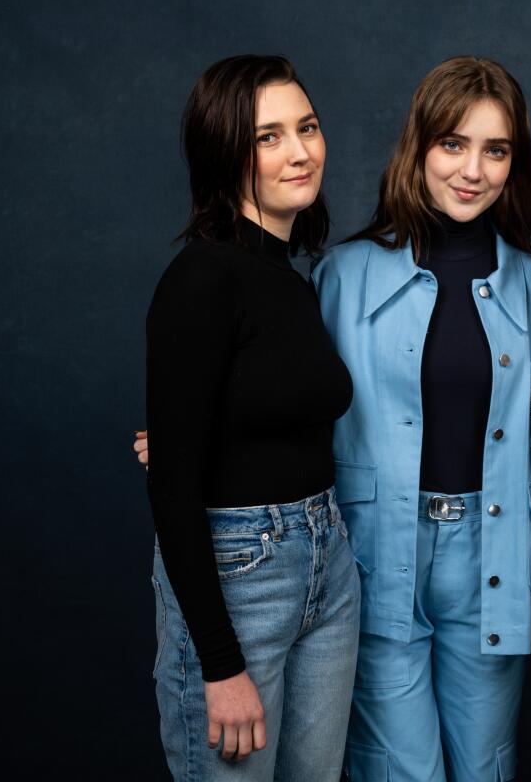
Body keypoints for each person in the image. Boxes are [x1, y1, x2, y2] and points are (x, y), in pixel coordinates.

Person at [312, 56, 531, 782]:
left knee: (485, 768)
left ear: (514, 163)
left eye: (496, 149)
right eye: (453, 143)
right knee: (400, 770)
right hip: (373, 549)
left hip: (493, 554)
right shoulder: (343, 273)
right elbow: (294, 397)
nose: (473, 169)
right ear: (418, 146)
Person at [144, 54, 359, 781]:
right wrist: (219, 659)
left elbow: (260, 414)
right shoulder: (202, 277)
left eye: (307, 126)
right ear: (223, 151)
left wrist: (189, 439)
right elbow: (174, 489)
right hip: (242, 578)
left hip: (326, 562)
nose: (300, 151)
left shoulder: (289, 277)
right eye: (268, 136)